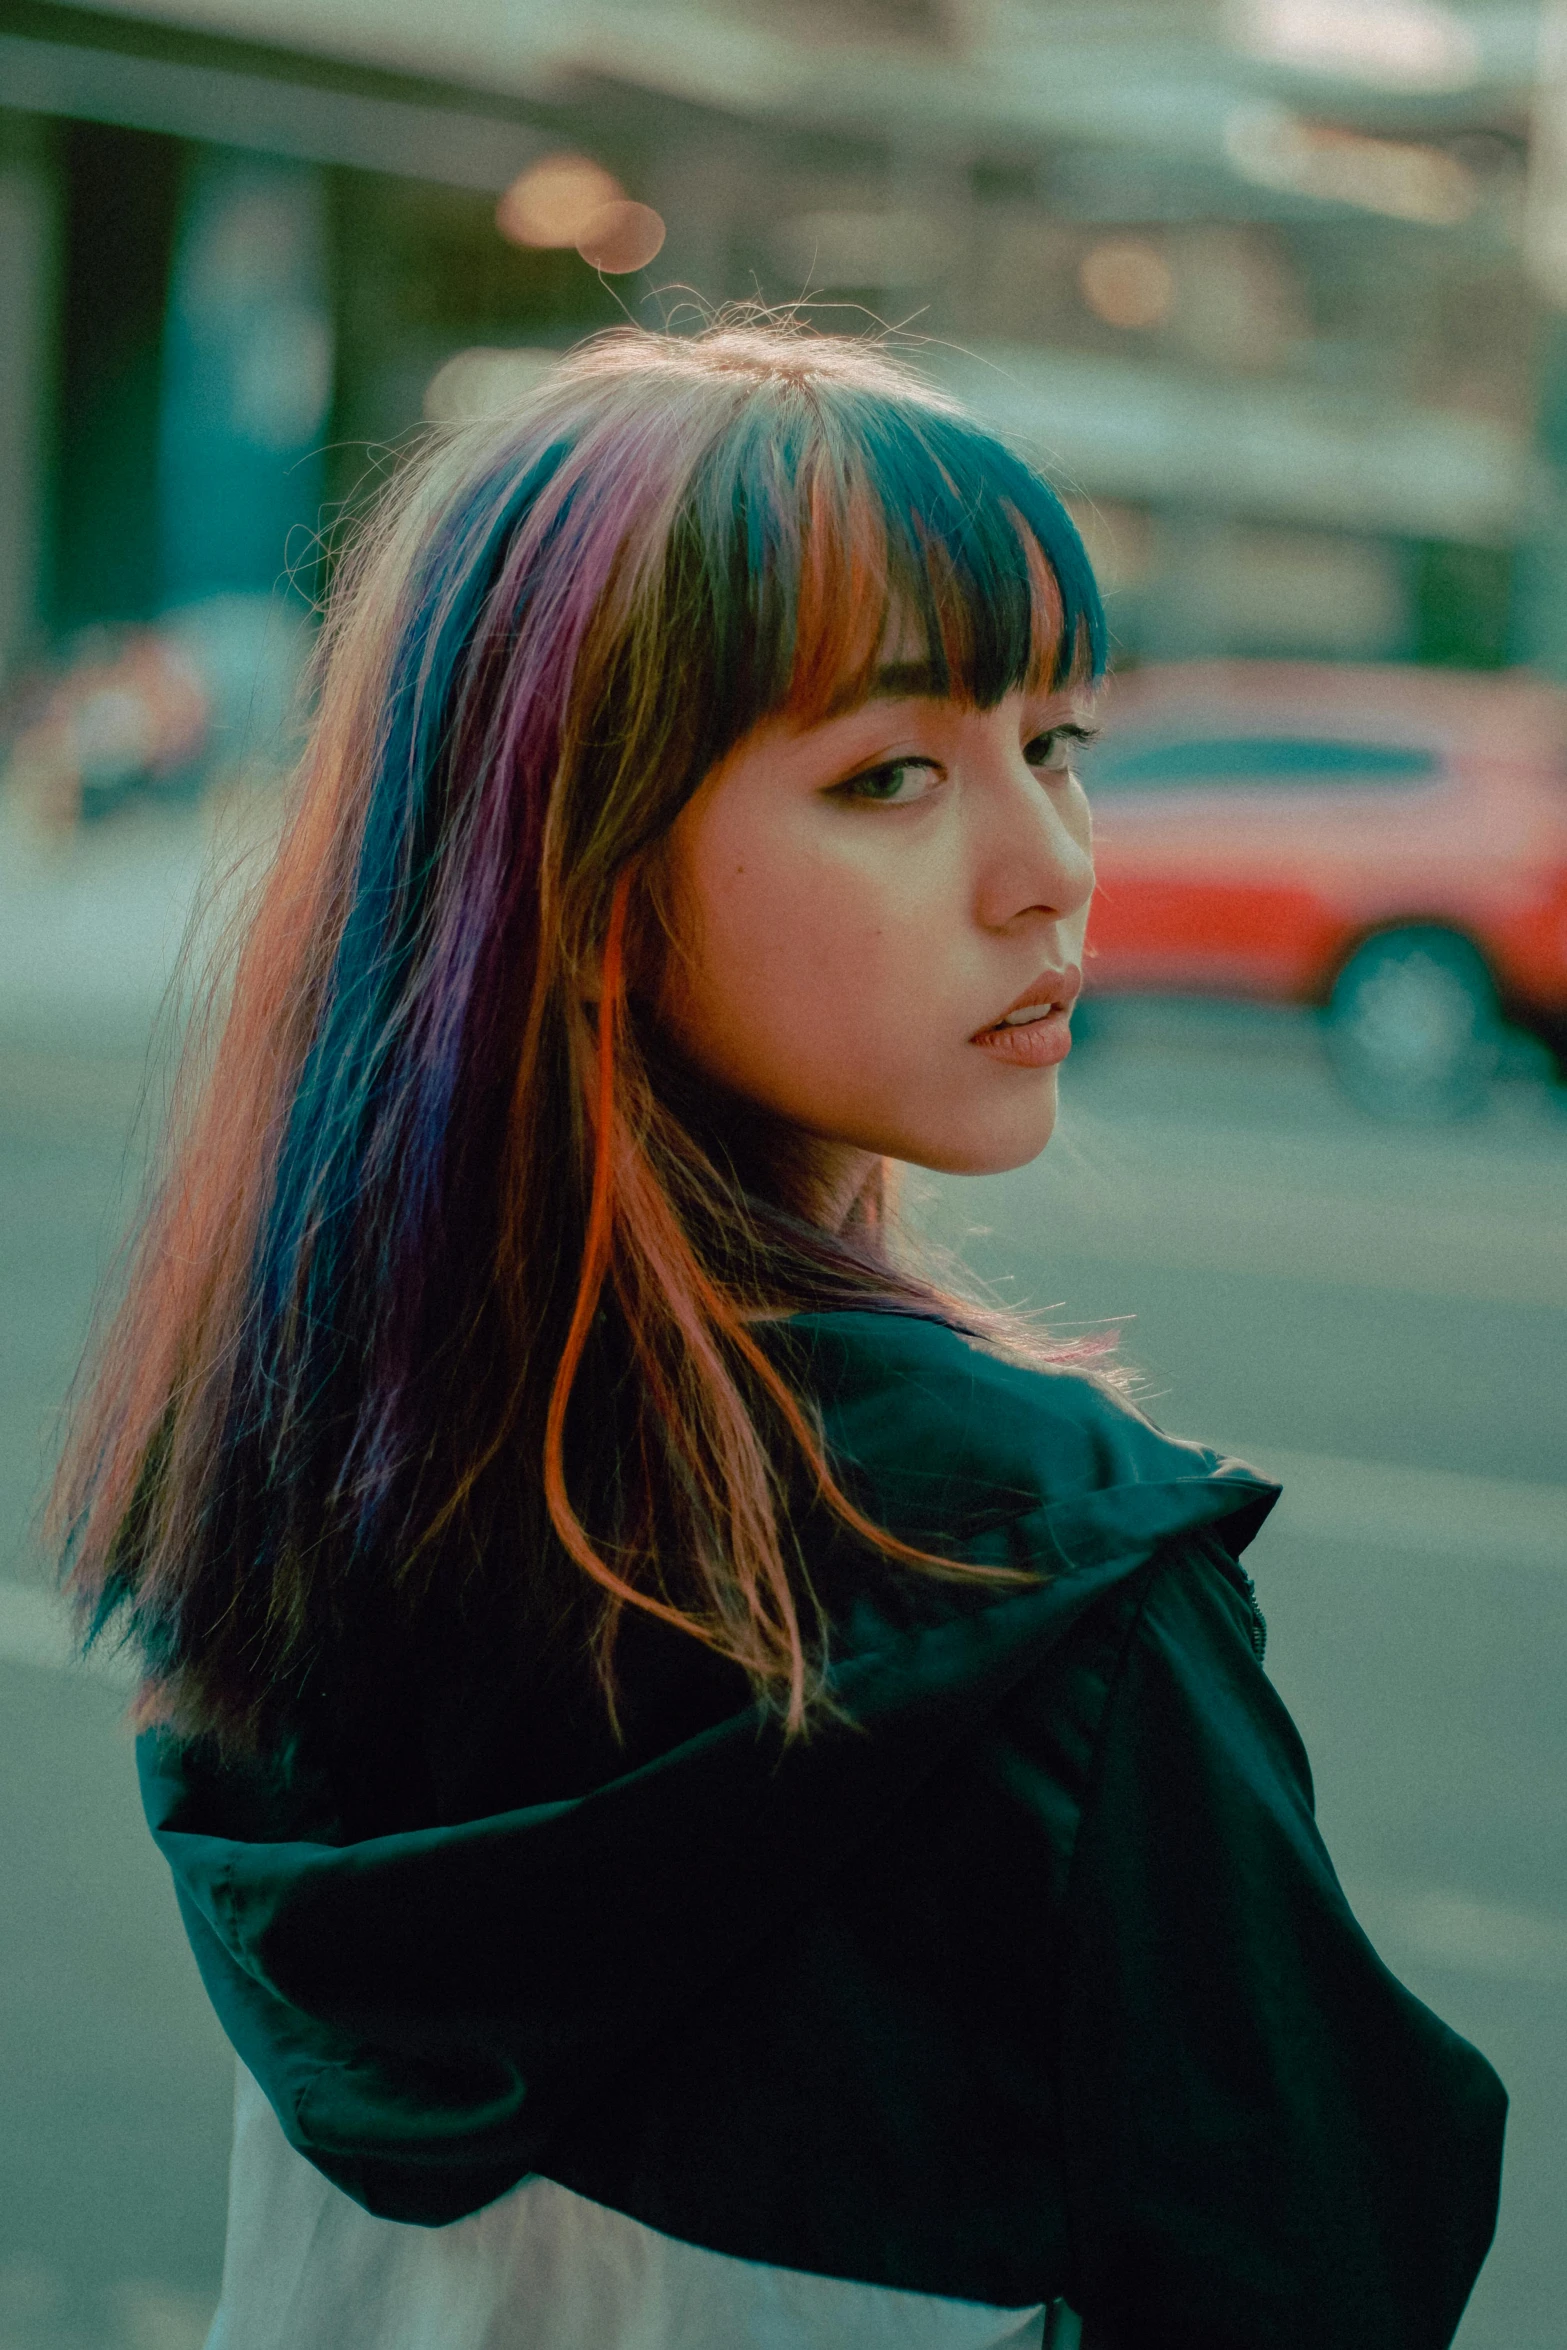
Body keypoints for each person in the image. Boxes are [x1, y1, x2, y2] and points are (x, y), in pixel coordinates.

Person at [54, 320, 1505, 2350]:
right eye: (896, 771)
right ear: (588, 872)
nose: (1053, 869)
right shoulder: (1046, 1604)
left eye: (1056, 745)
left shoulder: (294, 1462)